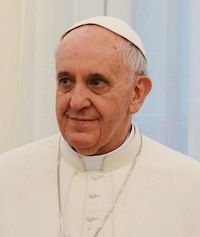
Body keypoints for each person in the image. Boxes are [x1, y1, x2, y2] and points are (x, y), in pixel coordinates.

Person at [0, 16, 200, 237]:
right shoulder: (7, 175)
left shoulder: (191, 186)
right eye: (66, 81)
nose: (76, 102)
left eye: (96, 83)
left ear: (137, 93)